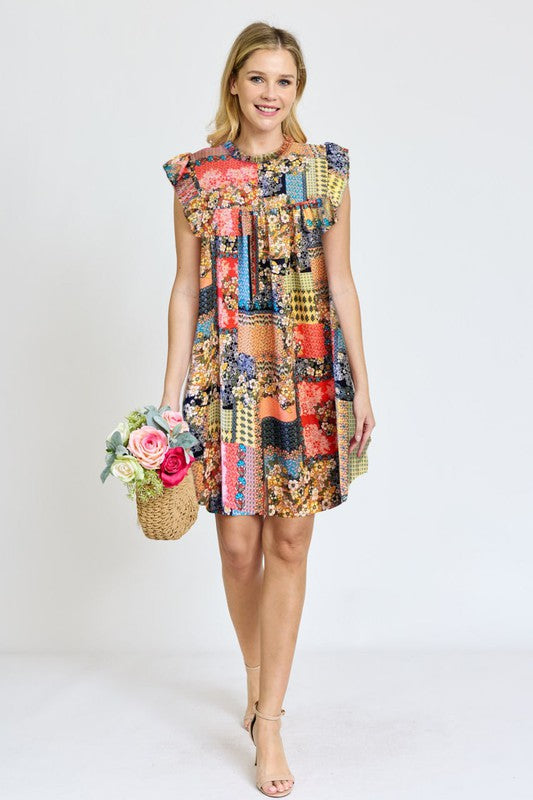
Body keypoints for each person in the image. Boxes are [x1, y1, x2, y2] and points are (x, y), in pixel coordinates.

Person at [159, 21, 376, 798]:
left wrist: (361, 384)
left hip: (306, 375)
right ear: (233, 84)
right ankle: (254, 688)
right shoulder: (195, 175)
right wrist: (169, 397)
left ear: (297, 90)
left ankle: (272, 722)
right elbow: (186, 288)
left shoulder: (324, 172)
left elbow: (341, 280)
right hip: (225, 381)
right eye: (257, 79)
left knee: (289, 544)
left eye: (283, 81)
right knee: (237, 551)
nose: (269, 94)